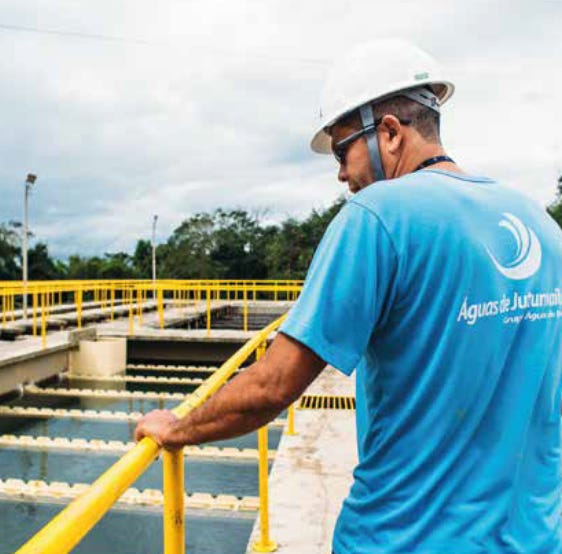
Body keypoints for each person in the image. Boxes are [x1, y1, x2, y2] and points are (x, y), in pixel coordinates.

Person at [135, 39, 562, 553]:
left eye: (343, 151)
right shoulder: (540, 224)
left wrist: (178, 428)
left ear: (389, 132)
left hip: (404, 538)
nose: (341, 173)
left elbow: (273, 386)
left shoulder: (379, 217)